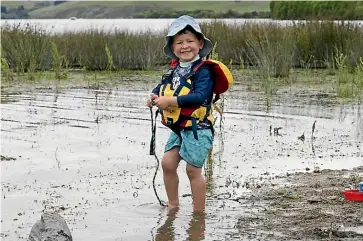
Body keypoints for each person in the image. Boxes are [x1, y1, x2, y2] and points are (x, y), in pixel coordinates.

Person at [146, 15, 215, 212]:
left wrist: (171, 101)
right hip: (178, 128)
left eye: (190, 41)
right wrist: (153, 96)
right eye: (179, 42)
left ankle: (198, 214)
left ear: (200, 43)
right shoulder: (174, 69)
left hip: (198, 129)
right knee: (167, 164)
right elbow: (163, 87)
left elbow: (200, 96)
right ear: (172, 47)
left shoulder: (204, 71)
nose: (185, 46)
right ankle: (173, 206)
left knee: (193, 170)